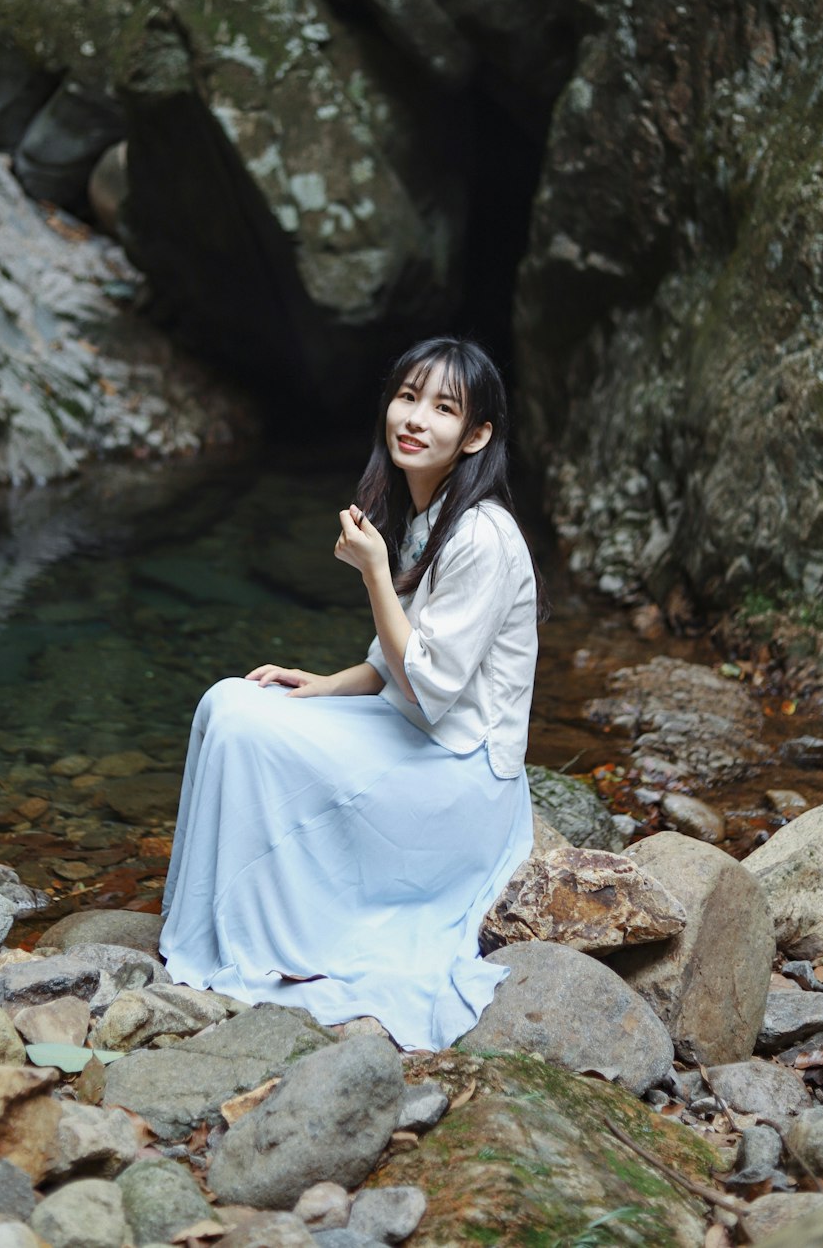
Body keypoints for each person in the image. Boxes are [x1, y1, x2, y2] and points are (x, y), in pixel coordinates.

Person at [159, 336, 544, 1051]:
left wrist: (372, 573)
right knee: (228, 703)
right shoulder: (428, 514)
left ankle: (270, 939)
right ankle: (215, 924)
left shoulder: (484, 536)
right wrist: (327, 684)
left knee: (250, 734)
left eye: (444, 407)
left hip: (461, 777)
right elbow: (395, 660)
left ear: (477, 435)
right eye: (408, 396)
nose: (417, 418)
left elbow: (428, 688)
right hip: (418, 737)